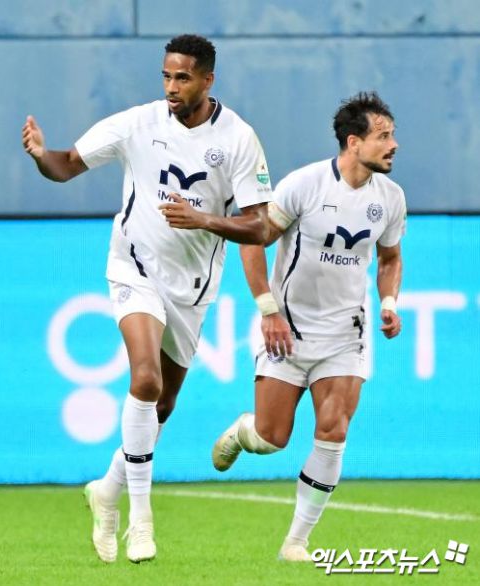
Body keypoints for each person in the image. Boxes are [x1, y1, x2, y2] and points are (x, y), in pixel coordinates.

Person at [22, 34, 272, 564]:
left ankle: (106, 489)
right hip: (133, 267)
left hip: (192, 288)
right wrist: (42, 155)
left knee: (162, 406)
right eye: (166, 76)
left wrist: (203, 220)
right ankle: (140, 521)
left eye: (183, 77)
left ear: (208, 80)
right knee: (145, 378)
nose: (171, 87)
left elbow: (260, 227)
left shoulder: (238, 138)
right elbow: (67, 164)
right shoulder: (138, 123)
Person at [211, 91, 406, 562]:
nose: (394, 144)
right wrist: (267, 309)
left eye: (393, 135)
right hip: (289, 331)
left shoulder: (391, 198)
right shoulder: (305, 185)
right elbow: (254, 239)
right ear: (354, 142)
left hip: (346, 335)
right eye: (383, 136)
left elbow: (390, 258)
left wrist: (389, 301)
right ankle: (244, 431)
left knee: (334, 429)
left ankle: (296, 542)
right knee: (271, 439)